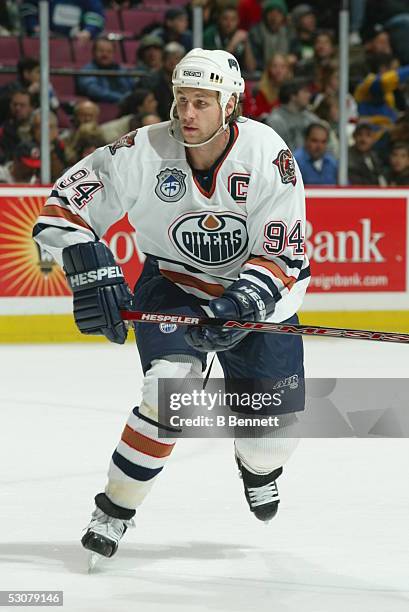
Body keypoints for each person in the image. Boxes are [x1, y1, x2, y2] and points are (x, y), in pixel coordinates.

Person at [33, 48, 310, 562]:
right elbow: (60, 209)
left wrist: (241, 302)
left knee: (268, 438)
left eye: (202, 102)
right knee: (169, 390)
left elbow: (282, 253)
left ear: (230, 106)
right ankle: (113, 512)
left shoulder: (268, 155)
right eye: (181, 99)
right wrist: (88, 262)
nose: (187, 113)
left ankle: (257, 467)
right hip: (173, 285)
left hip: (256, 300)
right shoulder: (140, 151)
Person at [265, 78, 319, 152]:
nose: (309, 95)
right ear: (292, 96)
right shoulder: (276, 121)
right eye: (305, 92)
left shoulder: (311, 119)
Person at [77, 36, 133, 104]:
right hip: (101, 105)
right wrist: (121, 98)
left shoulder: (121, 69)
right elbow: (93, 91)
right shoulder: (87, 70)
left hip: (126, 104)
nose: (105, 54)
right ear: (93, 53)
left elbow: (132, 87)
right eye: (101, 51)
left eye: (109, 51)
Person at [21, 0, 105, 40]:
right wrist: (34, 25)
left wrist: (88, 31)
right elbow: (29, 7)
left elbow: (95, 14)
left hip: (76, 42)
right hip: (45, 40)